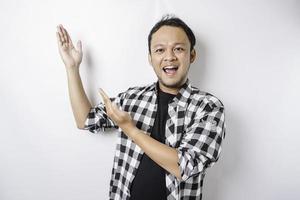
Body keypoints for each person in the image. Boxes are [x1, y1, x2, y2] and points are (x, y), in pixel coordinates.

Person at [56, 14, 226, 200]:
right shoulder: (133, 98)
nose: (169, 57)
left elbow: (184, 167)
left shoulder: (208, 108)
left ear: (192, 55)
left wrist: (131, 129)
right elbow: (86, 120)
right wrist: (72, 68)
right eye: (160, 50)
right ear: (150, 58)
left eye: (178, 49)